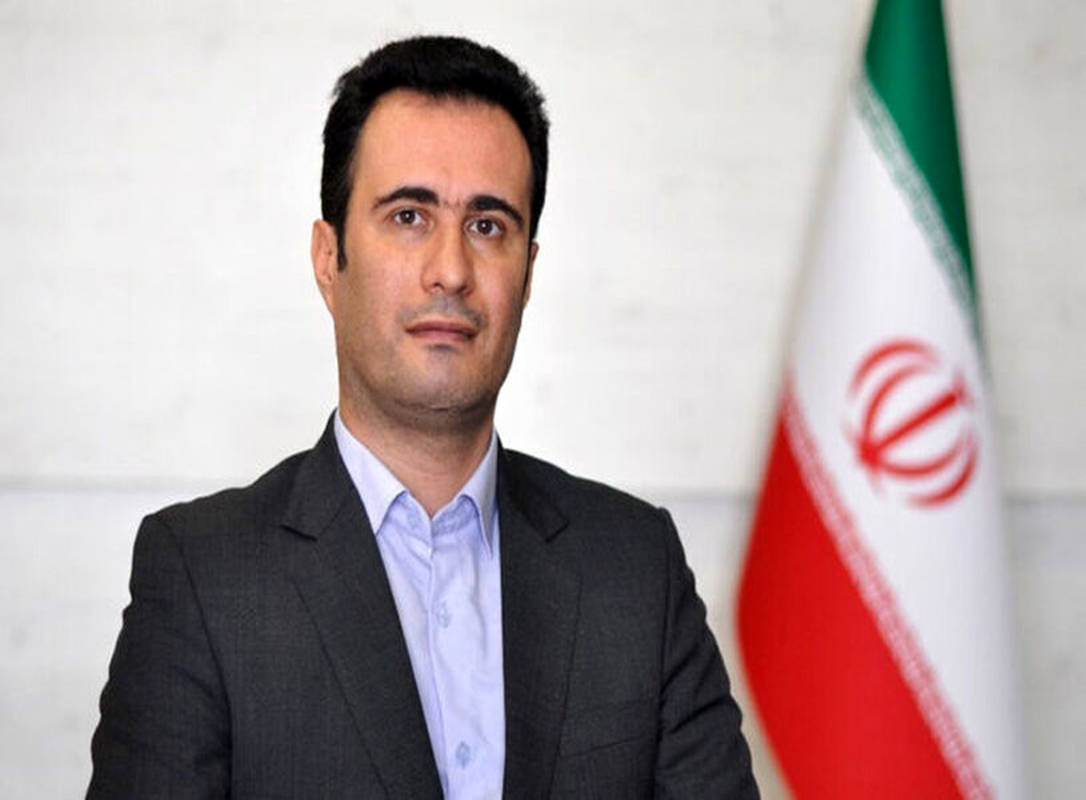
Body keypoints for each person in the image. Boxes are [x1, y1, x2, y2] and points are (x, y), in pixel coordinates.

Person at [88, 35, 758, 799]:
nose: (450, 270)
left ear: (528, 274)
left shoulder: (635, 570)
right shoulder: (207, 579)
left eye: (487, 225)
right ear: (328, 259)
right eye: (409, 216)